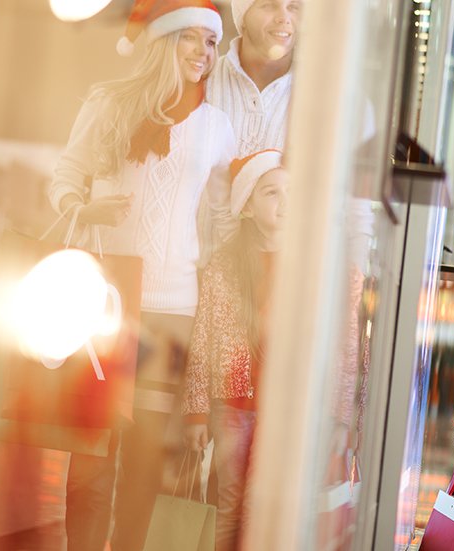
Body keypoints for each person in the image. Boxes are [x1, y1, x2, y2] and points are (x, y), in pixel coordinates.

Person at [48, 1, 237, 549]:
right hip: (106, 303)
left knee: (144, 465)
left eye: (211, 43)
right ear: (164, 41)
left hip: (173, 312)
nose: (204, 54)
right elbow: (66, 175)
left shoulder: (217, 128)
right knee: (90, 460)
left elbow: (223, 218)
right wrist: (83, 210)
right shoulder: (109, 104)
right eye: (193, 40)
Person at [182, 149, 288, 551]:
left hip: (281, 410)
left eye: (290, 191)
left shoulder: (305, 267)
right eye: (272, 193)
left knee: (260, 506)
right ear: (247, 205)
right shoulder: (225, 265)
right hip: (233, 407)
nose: (285, 203)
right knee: (229, 504)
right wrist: (195, 412)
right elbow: (203, 339)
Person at [209, 0, 301, 155]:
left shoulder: (317, 96)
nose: (284, 18)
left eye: (293, 7)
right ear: (243, 17)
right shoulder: (203, 81)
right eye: (269, 5)